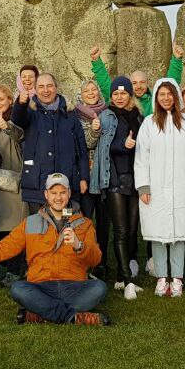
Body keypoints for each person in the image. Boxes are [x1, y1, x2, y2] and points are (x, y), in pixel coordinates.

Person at [0, 174, 110, 326]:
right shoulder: (31, 222)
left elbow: (95, 259)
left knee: (99, 288)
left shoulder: (84, 223)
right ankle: (72, 317)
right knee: (18, 288)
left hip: (74, 286)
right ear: (46, 195)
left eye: (63, 192)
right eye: (54, 193)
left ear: (69, 193)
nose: (58, 197)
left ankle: (40, 314)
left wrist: (79, 246)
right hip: (41, 286)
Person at [136, 78, 185, 297]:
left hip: (181, 186)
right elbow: (141, 157)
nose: (165, 98)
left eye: (169, 94)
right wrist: (143, 186)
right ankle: (161, 277)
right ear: (156, 97)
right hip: (155, 187)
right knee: (157, 233)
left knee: (178, 234)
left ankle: (177, 278)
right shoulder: (148, 123)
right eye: (161, 95)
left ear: (175, 97)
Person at [11, 72, 89, 212]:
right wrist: (21, 104)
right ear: (36, 89)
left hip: (67, 185)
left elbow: (82, 149)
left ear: (56, 88)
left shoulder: (70, 115)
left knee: (66, 229)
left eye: (49, 86)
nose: (46, 90)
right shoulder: (30, 112)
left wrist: (83, 177)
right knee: (40, 230)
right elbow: (18, 119)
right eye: (41, 87)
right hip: (37, 186)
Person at [96, 75, 145, 299]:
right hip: (115, 177)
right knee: (121, 230)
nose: (119, 97)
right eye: (115, 93)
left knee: (133, 230)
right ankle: (127, 281)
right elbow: (104, 146)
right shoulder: (107, 116)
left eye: (123, 93)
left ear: (130, 95)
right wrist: (122, 145)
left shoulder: (138, 116)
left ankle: (118, 276)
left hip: (135, 178)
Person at [0, 84, 27, 283]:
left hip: (13, 180)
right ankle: (1, 265)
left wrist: (8, 127)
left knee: (14, 226)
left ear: (10, 100)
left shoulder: (16, 119)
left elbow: (20, 136)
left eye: (1, 99)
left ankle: (14, 268)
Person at [74, 78, 111, 279]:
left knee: (104, 222)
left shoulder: (107, 113)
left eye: (94, 89)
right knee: (86, 221)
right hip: (85, 176)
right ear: (81, 94)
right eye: (86, 90)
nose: (91, 92)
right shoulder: (76, 116)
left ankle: (102, 262)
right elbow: (85, 144)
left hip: (104, 175)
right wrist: (95, 131)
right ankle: (86, 261)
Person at [89, 42, 185, 116]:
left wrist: (176, 60)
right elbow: (107, 86)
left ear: (148, 83)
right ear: (129, 85)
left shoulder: (155, 101)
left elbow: (170, 85)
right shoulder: (122, 100)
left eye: (142, 82)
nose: (138, 86)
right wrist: (96, 61)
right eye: (134, 83)